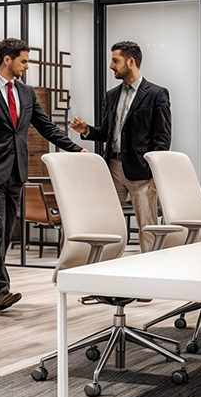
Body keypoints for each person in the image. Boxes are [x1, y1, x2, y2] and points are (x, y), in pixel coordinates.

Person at [0, 38, 84, 312]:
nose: (26, 67)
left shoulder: (27, 93)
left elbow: (46, 127)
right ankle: (1, 291)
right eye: (24, 61)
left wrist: (76, 150)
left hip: (16, 171)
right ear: (7, 59)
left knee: (5, 232)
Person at [71, 41, 172, 250]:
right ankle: (108, 267)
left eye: (115, 60)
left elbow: (162, 137)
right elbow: (108, 132)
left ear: (131, 61)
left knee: (147, 226)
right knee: (106, 221)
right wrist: (86, 130)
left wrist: (156, 173)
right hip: (114, 166)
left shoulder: (156, 94)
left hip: (142, 171)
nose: (111, 66)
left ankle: (151, 270)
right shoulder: (111, 95)